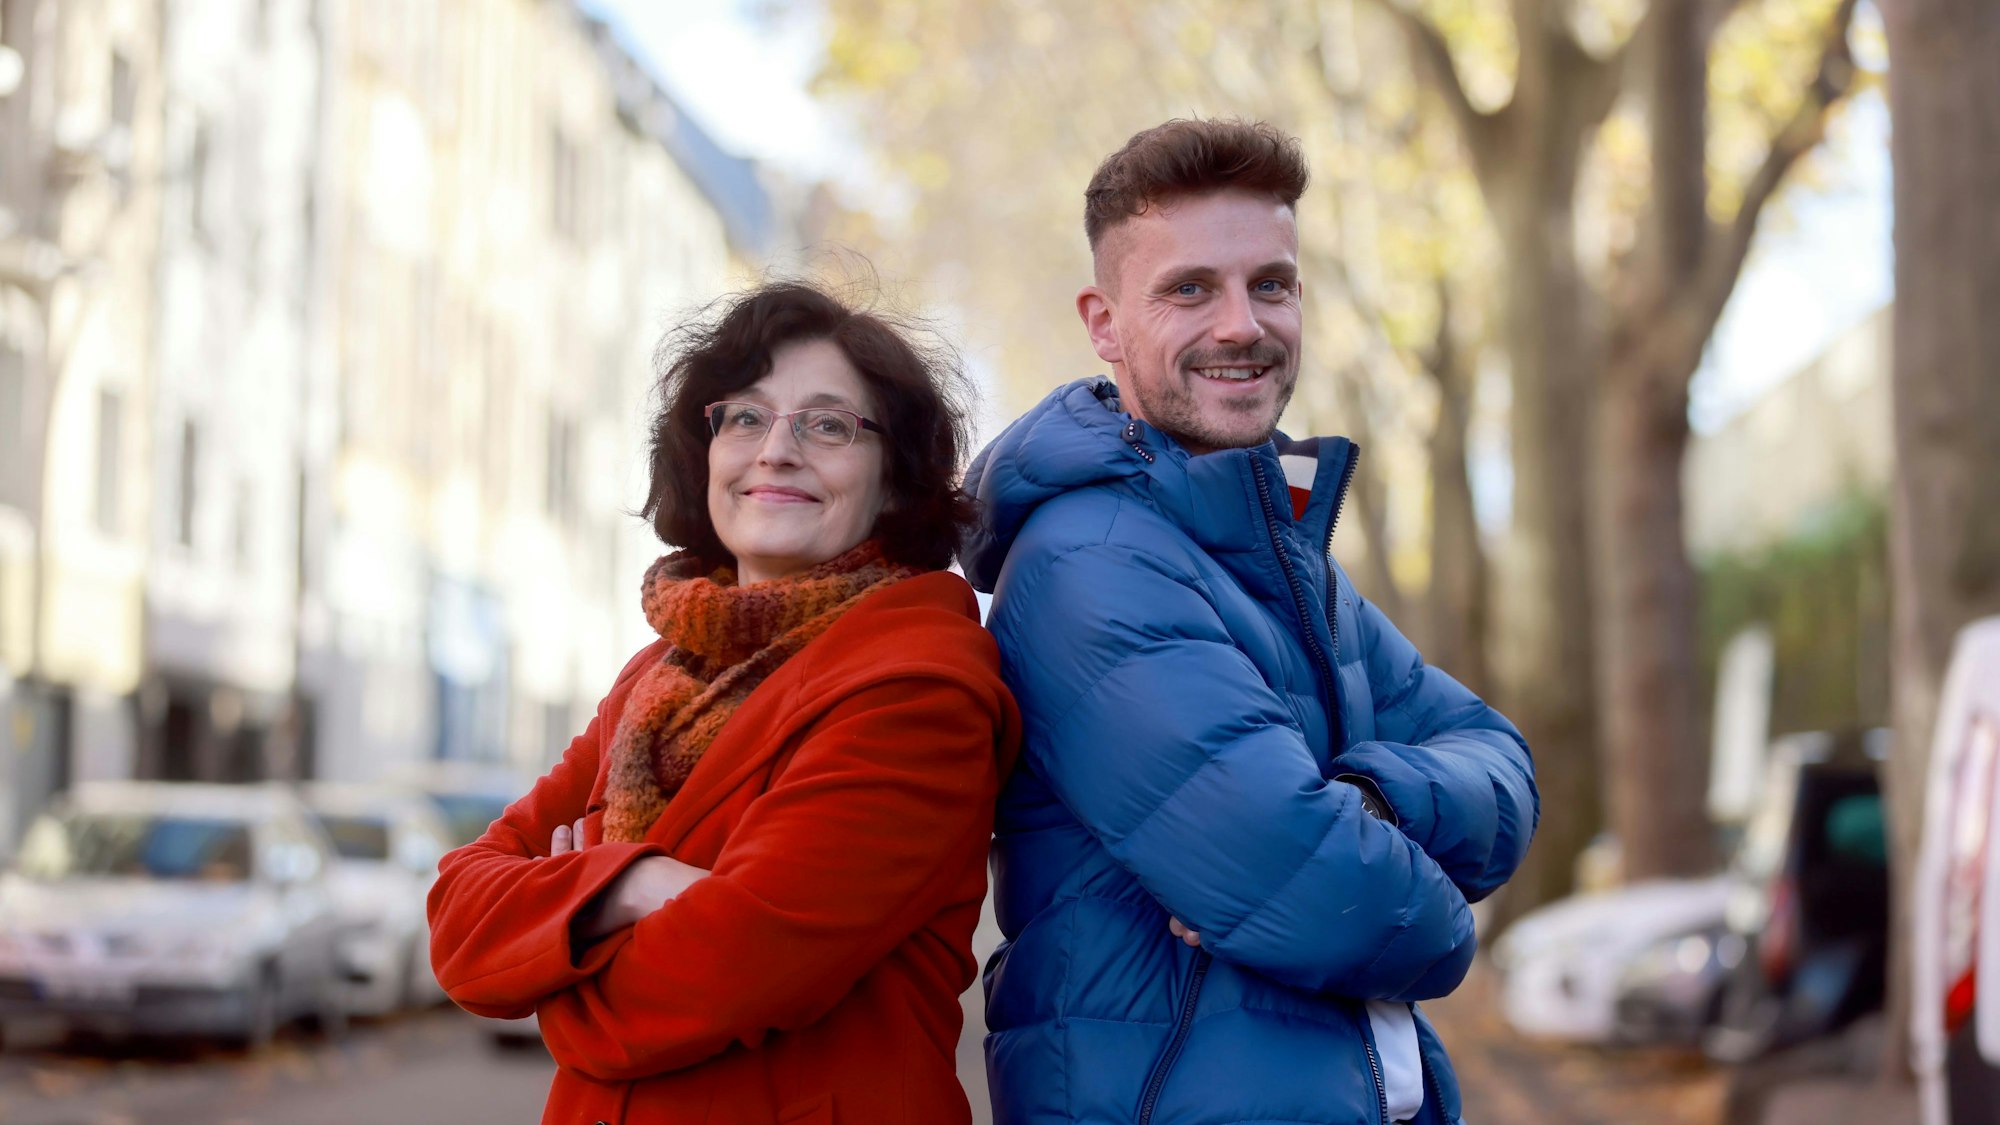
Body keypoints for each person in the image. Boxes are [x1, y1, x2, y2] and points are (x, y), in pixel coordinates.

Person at [963, 119, 1539, 1125]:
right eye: (1189, 289)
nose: (1241, 324)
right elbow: (1331, 897)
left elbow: (1502, 760)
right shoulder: (1089, 562)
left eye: (1268, 284)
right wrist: (1446, 916)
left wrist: (1367, 797)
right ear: (1102, 324)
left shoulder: (1268, 558)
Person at [428, 281, 1021, 1125]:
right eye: (744, 417)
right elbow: (457, 919)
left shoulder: (919, 688)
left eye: (827, 424)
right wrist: (635, 885)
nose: (776, 450)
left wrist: (558, 929)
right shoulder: (656, 678)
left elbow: (706, 979)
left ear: (893, 482)